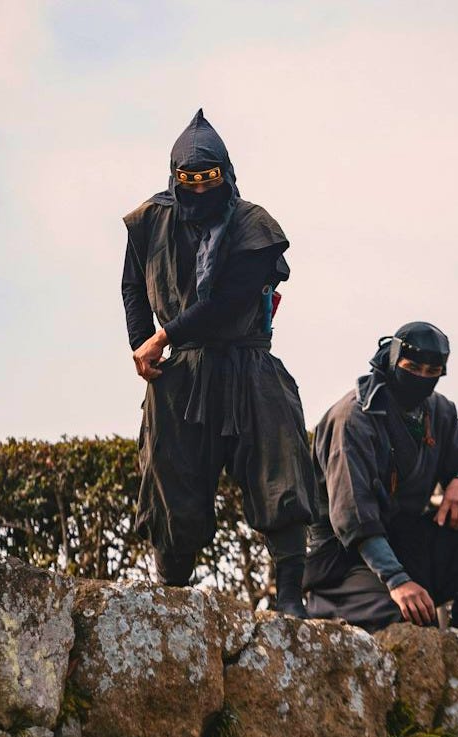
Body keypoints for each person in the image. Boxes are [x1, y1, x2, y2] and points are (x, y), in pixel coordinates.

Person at [121, 109, 315, 615]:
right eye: (192, 184)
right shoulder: (149, 221)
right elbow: (133, 286)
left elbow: (229, 301)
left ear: (226, 175)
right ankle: (172, 596)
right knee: (172, 476)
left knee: (279, 465)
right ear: (176, 179)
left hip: (248, 361)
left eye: (210, 182)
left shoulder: (254, 224)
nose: (202, 193)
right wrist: (142, 346)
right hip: (181, 371)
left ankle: (290, 598)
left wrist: (163, 335)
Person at [304, 321, 458, 630]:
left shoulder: (438, 411)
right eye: (412, 367)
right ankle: (345, 602)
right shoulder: (353, 418)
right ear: (393, 360)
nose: (422, 377)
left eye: (432, 371)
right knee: (405, 620)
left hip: (407, 541)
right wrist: (397, 581)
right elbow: (353, 515)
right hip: (346, 557)